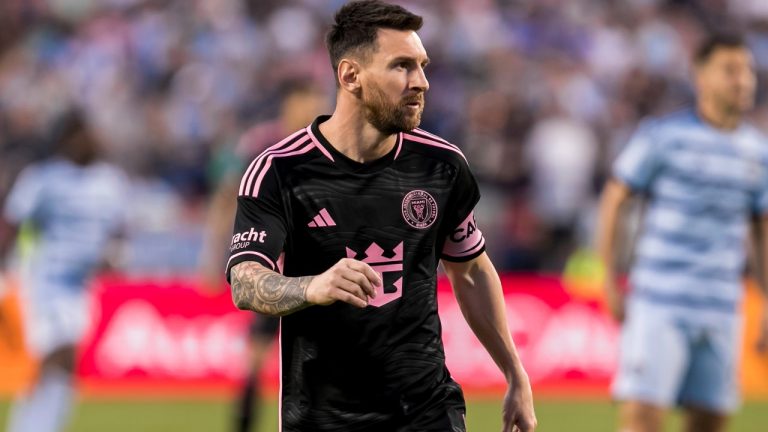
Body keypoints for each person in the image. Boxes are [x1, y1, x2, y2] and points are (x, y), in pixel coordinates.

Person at [225, 1, 537, 431]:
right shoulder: (280, 171)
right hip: (323, 417)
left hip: (429, 411)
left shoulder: (441, 167)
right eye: (403, 67)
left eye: (422, 66)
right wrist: (313, 285)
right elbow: (244, 282)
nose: (422, 82)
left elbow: (471, 271)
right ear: (350, 75)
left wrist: (515, 373)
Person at [597, 32, 768, 432]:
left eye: (747, 71)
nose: (742, 80)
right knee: (643, 417)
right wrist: (609, 277)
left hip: (722, 304)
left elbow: (762, 230)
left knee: (710, 421)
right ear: (701, 77)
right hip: (661, 300)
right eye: (730, 70)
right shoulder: (663, 136)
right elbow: (615, 199)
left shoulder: (759, 153)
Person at [198, 79, 328, 432]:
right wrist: (213, 257)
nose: (312, 111)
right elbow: (227, 199)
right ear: (288, 106)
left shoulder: (332, 142)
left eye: (316, 102)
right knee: (255, 360)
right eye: (306, 102)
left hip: (321, 271)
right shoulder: (260, 145)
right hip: (273, 269)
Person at [0, 109, 128, 432]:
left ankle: (36, 425)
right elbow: (11, 224)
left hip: (81, 286)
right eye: (82, 133)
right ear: (67, 140)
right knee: (57, 354)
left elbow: (117, 232)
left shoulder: (110, 181)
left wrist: (113, 257)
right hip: (46, 282)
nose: (91, 139)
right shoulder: (44, 178)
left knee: (65, 367)